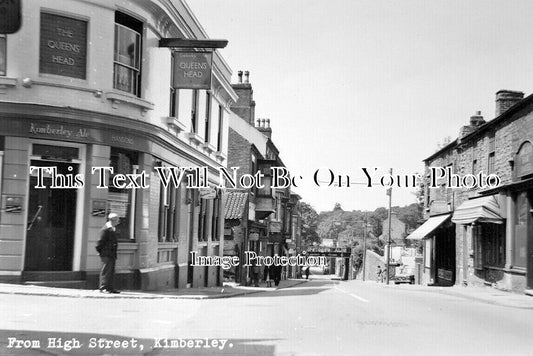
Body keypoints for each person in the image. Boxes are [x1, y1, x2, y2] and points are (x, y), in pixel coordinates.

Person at [96, 213, 120, 293]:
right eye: (117, 219)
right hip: (106, 254)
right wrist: (101, 252)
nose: (118, 221)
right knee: (106, 270)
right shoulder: (105, 229)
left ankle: (110, 288)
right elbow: (100, 242)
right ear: (113, 220)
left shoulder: (112, 228)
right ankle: (103, 287)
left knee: (111, 271)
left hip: (111, 254)